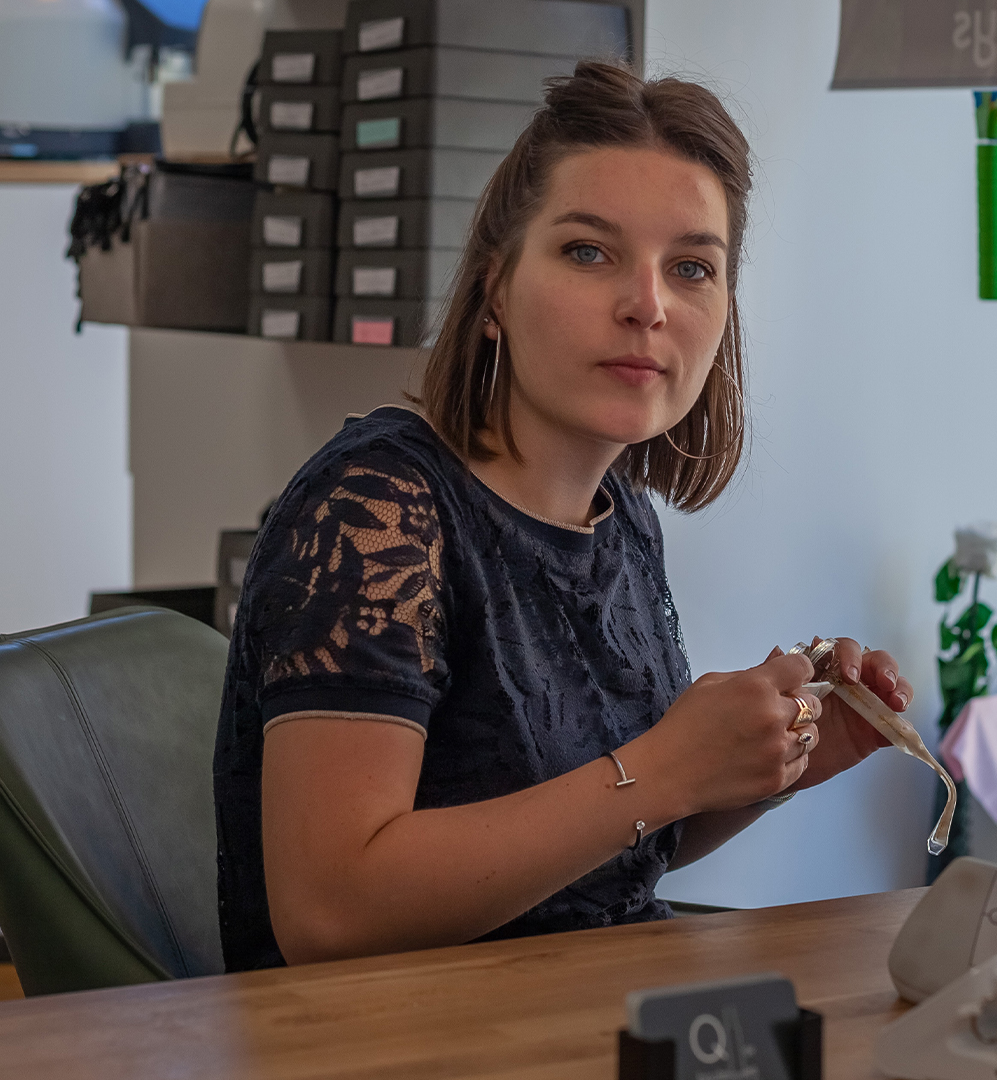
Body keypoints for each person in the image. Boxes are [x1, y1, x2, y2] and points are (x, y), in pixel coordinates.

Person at [213, 61, 914, 971]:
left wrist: (767, 764)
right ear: (496, 289)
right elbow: (331, 910)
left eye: (692, 267)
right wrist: (666, 767)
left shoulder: (618, 515)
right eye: (589, 252)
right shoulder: (376, 511)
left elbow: (599, 852)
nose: (646, 305)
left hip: (573, 1011)